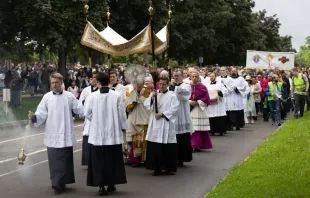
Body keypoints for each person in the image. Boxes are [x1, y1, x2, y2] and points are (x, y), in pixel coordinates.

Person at [29, 72, 83, 193]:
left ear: (61, 83)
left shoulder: (69, 96)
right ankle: (56, 183)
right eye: (52, 82)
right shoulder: (47, 97)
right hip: (52, 131)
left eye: (56, 82)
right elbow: (41, 112)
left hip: (65, 131)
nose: (54, 85)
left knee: (65, 158)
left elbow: (79, 108)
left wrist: (87, 106)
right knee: (54, 159)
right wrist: (35, 118)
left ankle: (62, 181)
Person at [84, 72, 128, 196]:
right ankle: (111, 183)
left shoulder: (92, 97)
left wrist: (97, 120)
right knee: (112, 159)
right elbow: (121, 114)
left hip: (97, 134)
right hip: (112, 134)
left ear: (98, 83)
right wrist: (123, 127)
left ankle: (101, 185)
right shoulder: (117, 95)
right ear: (109, 82)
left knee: (98, 161)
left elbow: (87, 113)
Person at [144, 76, 179, 176]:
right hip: (155, 122)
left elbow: (175, 108)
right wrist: (151, 97)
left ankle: (168, 167)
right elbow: (147, 106)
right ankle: (156, 168)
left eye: (164, 84)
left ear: (167, 84)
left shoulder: (172, 95)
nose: (162, 86)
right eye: (160, 84)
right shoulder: (154, 93)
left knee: (167, 145)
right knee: (155, 145)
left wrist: (163, 114)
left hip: (165, 122)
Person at [125, 80, 151, 167]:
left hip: (144, 118)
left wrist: (140, 99)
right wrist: (133, 103)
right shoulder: (130, 91)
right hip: (133, 118)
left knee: (144, 140)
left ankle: (144, 158)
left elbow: (149, 105)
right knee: (134, 140)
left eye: (140, 83)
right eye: (137, 83)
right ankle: (134, 159)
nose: (138, 85)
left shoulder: (147, 91)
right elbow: (126, 105)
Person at [171, 69, 193, 166]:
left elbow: (185, 96)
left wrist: (175, 87)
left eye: (178, 75)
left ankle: (182, 158)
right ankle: (173, 157)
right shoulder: (170, 86)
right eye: (175, 76)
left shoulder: (186, 86)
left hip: (182, 113)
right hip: (173, 114)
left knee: (182, 137)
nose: (176, 77)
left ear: (182, 76)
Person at [79, 72, 98, 168]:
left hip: (99, 118)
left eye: (96, 78)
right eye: (92, 77)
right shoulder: (86, 90)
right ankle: (88, 160)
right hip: (89, 118)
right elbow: (80, 103)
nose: (93, 79)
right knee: (88, 137)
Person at [189, 71, 212, 151]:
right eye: (193, 76)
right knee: (193, 129)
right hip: (191, 109)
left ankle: (200, 145)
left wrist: (198, 102)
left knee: (200, 129)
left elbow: (207, 99)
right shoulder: (188, 87)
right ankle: (193, 145)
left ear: (199, 77)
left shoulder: (203, 87)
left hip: (200, 109)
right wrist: (190, 102)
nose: (194, 78)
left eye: (196, 76)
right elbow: (185, 98)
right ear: (190, 77)